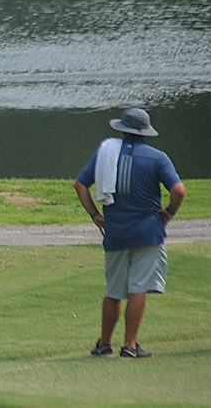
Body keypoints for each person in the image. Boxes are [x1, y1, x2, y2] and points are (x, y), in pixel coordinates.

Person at [74, 108, 185, 358]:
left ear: (123, 130)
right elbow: (179, 191)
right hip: (148, 232)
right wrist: (169, 213)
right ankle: (130, 346)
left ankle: (104, 344)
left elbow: (80, 184)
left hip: (115, 232)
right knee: (138, 289)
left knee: (114, 291)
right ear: (145, 133)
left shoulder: (105, 155)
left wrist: (94, 215)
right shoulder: (158, 158)